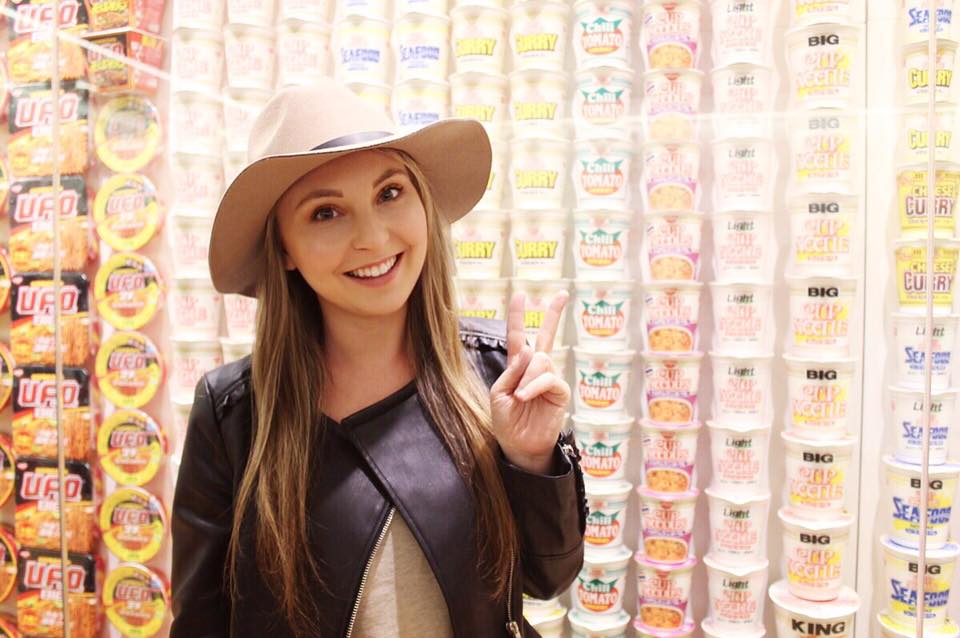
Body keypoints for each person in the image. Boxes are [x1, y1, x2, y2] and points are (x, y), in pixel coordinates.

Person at [170, 80, 587, 638]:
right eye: (325, 213)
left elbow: (547, 578)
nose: (372, 237)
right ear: (286, 250)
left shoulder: (495, 376)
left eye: (389, 194)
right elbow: (201, 622)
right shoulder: (234, 416)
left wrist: (532, 460)